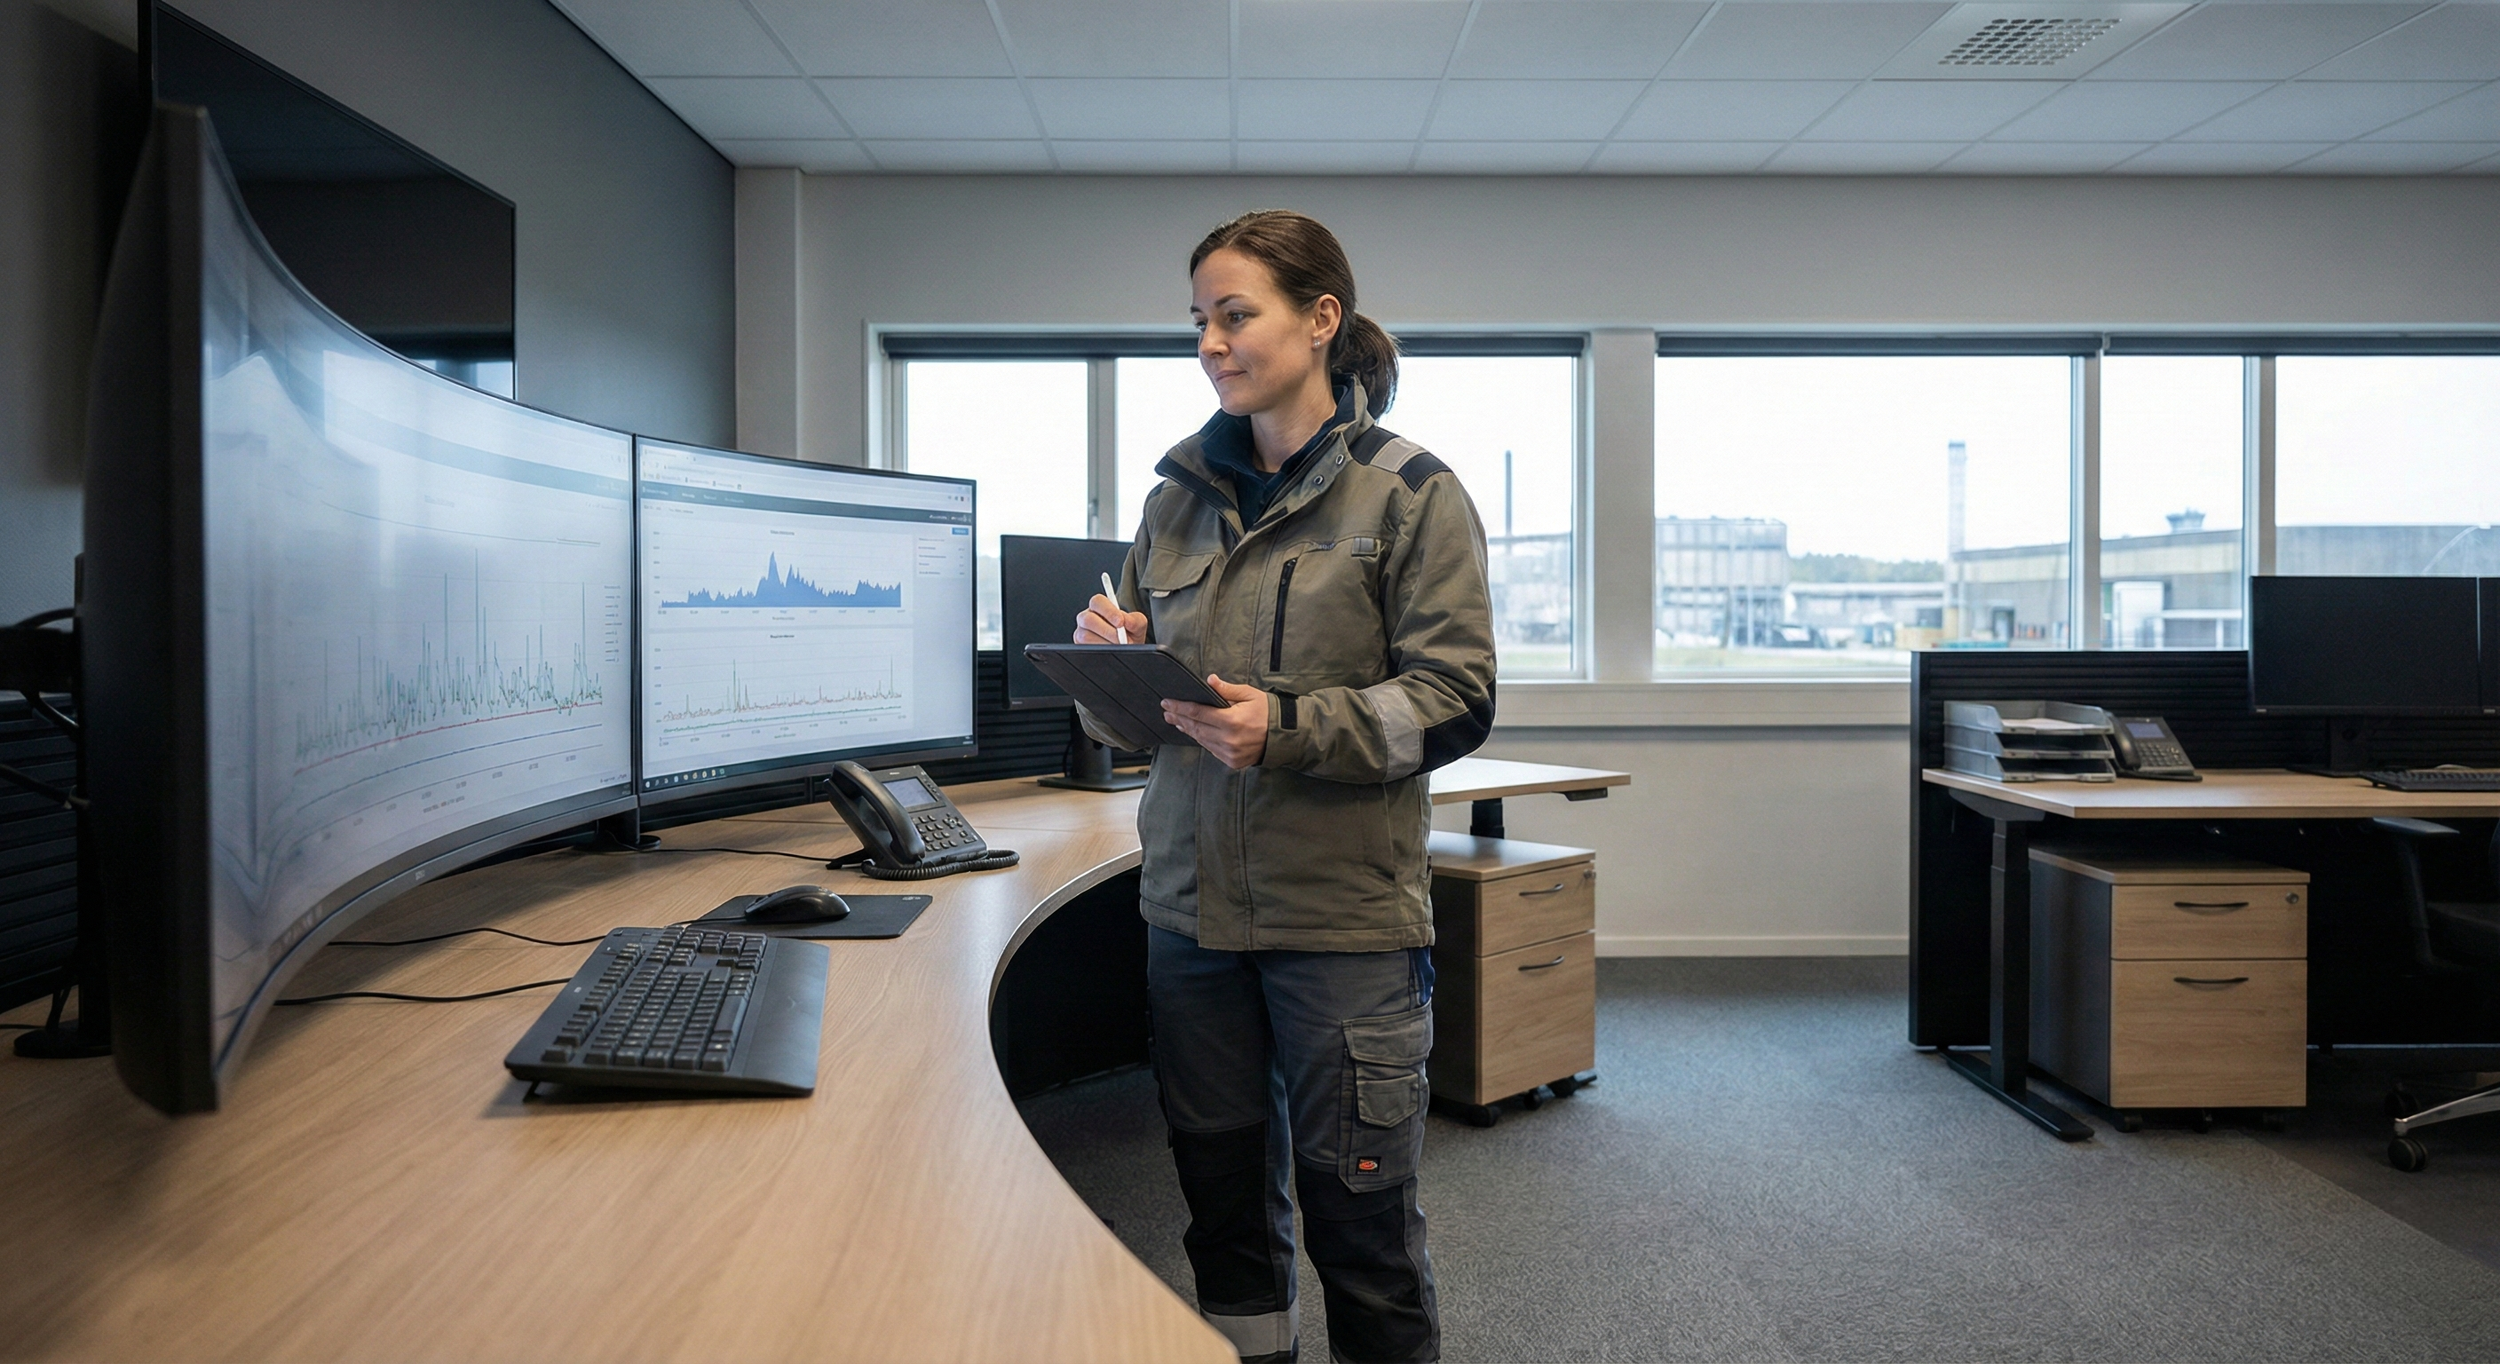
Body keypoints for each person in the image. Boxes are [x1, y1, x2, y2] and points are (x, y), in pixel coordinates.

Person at [1072, 210, 1496, 1364]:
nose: (1210, 341)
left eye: (1235, 312)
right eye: (1198, 320)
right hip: (1189, 910)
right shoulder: (1172, 501)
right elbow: (1140, 727)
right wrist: (1112, 660)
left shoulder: (1409, 494)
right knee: (1219, 1212)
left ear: (1320, 320)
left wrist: (1289, 728)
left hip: (1339, 916)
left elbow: (1455, 698)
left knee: (1359, 1219)